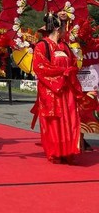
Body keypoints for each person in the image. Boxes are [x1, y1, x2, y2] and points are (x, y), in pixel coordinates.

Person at [30, 11, 83, 164]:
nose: (67, 30)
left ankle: (68, 151)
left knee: (70, 120)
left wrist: (71, 70)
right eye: (65, 27)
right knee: (54, 121)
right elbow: (40, 67)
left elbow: (73, 64)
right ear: (58, 28)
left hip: (67, 90)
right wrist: (62, 72)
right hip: (51, 89)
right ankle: (55, 152)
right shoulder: (42, 45)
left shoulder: (65, 46)